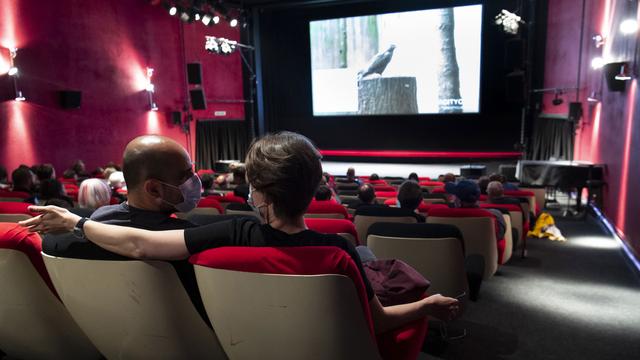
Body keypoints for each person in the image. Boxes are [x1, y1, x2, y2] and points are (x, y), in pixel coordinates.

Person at [23, 131, 459, 333]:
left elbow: (139, 243)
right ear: (315, 188)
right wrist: (426, 307)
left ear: (257, 189)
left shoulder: (227, 232)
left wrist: (77, 222)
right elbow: (378, 323)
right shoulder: (338, 249)